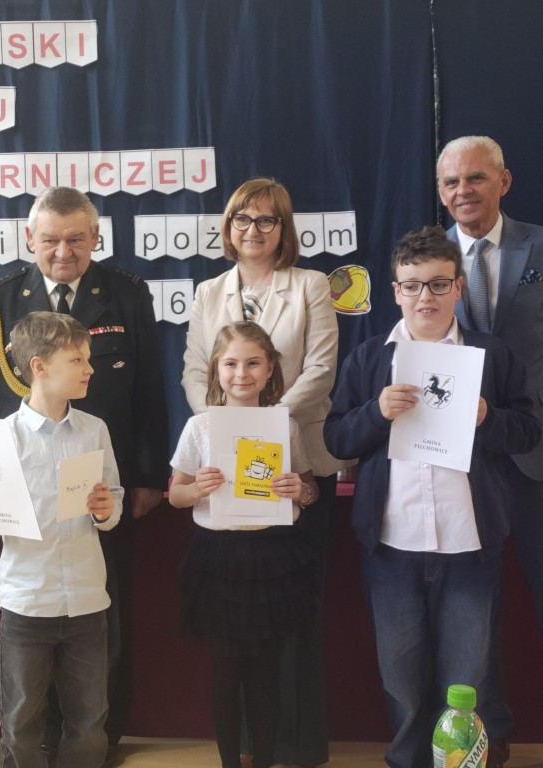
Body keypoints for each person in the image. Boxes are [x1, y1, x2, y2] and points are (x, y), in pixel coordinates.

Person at [0, 186, 170, 761]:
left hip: (100, 486)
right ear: (30, 238)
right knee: (28, 630)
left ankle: (98, 736)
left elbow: (149, 391)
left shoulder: (126, 294)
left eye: (76, 239)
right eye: (50, 239)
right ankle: (39, 738)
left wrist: (147, 477)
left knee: (101, 617)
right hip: (19, 496)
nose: (63, 251)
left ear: (95, 238)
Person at [323, 225, 541, 768]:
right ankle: (407, 760)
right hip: (393, 545)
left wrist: (488, 418)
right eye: (414, 285)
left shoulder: (490, 355)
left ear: (458, 287)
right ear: (396, 291)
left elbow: (530, 430)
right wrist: (376, 413)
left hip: (468, 545)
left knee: (466, 676)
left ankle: (459, 763)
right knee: (399, 676)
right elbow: (336, 438)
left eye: (439, 284)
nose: (427, 297)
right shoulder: (370, 358)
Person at [437, 136, 543, 768]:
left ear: (503, 182)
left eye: (475, 178)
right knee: (476, 608)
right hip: (465, 461)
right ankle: (490, 730)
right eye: (451, 182)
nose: (463, 191)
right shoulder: (429, 257)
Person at [181, 177, 341, 768]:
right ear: (229, 227)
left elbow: (320, 368)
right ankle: (240, 751)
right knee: (232, 643)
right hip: (222, 472)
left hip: (295, 463)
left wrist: (268, 422)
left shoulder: (311, 285)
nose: (253, 229)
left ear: (283, 228)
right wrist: (223, 427)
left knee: (291, 623)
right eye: (242, 218)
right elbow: (195, 371)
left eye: (267, 219)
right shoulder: (208, 292)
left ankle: (293, 747)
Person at [0, 311, 123, 768]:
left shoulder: (95, 430)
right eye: (77, 359)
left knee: (89, 720)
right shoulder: (0, 438)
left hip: (87, 600)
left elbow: (113, 502)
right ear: (39, 366)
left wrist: (106, 510)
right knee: (21, 720)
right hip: (27, 602)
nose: (90, 369)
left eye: (88, 358)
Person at [171, 321, 319, 768]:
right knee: (226, 668)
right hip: (218, 557)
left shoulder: (284, 426)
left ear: (270, 368)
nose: (241, 373)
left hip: (272, 556)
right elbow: (176, 494)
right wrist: (197, 488)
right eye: (231, 363)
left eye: (253, 363)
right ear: (216, 369)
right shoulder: (200, 427)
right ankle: (230, 762)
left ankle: (266, 759)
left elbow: (310, 490)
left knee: (266, 671)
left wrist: (300, 491)